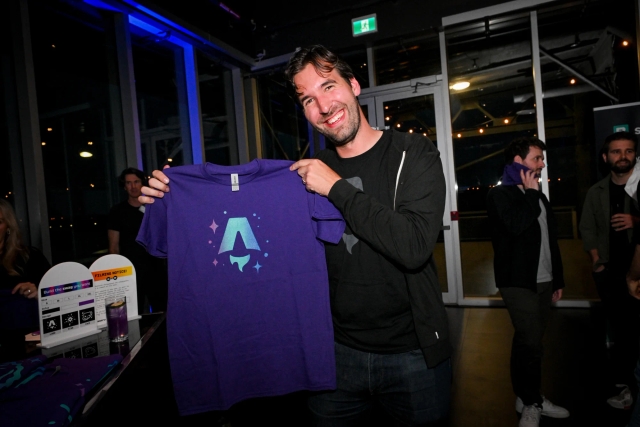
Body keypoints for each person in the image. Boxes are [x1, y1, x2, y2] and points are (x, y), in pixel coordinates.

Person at [139, 44, 452, 426]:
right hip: (333, 354)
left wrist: (335, 188)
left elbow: (414, 246)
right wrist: (167, 200)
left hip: (413, 353)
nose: (322, 106)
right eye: (307, 99)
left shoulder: (411, 152)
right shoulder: (299, 175)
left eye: (328, 86)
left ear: (353, 85)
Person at [486, 137, 569, 427]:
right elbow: (516, 226)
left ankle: (524, 395)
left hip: (545, 280)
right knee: (532, 343)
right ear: (518, 162)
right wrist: (531, 195)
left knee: (527, 342)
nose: (542, 164)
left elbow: (551, 239)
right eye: (537, 158)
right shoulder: (500, 196)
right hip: (517, 282)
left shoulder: (539, 195)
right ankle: (532, 403)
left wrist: (557, 278)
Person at [579, 131, 640, 409]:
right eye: (616, 151)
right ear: (606, 158)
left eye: (628, 151)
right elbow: (587, 229)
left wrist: (634, 220)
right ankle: (628, 387)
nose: (623, 156)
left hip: (638, 274)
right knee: (622, 332)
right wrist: (597, 262)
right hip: (610, 275)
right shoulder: (596, 192)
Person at [107, 167, 168, 314]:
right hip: (131, 272)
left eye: (136, 182)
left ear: (142, 183)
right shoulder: (117, 211)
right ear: (124, 186)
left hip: (156, 268)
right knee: (134, 314)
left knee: (163, 312)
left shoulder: (153, 208)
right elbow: (113, 247)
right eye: (129, 183)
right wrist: (117, 277)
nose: (133, 186)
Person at [0, 199, 51, 331]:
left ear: (8, 227)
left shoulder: (30, 257)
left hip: (26, 338)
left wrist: (38, 292)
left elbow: (58, 296)